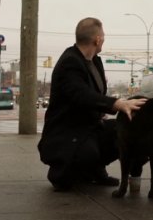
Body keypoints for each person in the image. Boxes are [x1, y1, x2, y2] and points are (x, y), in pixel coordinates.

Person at [37, 17, 146, 191]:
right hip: (67, 133)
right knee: (88, 153)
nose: (103, 39)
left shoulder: (95, 61)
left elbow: (95, 95)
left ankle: (94, 170)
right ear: (97, 39)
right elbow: (81, 95)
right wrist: (117, 103)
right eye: (103, 36)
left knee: (132, 132)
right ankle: (61, 173)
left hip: (91, 128)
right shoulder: (70, 62)